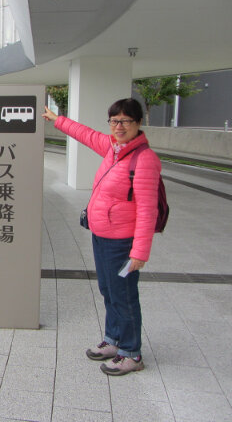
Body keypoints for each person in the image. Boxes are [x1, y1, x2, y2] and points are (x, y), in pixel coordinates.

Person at [42, 98, 161, 376]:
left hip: (123, 242)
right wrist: (57, 119)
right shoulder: (113, 149)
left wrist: (139, 252)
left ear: (139, 123)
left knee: (124, 295)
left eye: (125, 121)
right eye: (114, 121)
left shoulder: (144, 160)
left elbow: (147, 210)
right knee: (109, 290)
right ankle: (114, 339)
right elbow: (86, 134)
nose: (118, 126)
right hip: (103, 236)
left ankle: (131, 353)